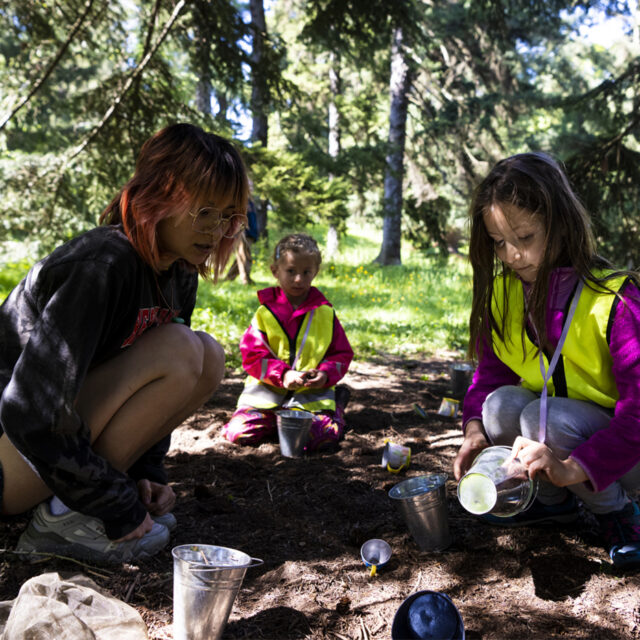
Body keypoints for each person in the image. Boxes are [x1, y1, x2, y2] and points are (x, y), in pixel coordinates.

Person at [0, 123, 249, 563]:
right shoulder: (103, 265)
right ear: (159, 196)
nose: (216, 230)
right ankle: (63, 518)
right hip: (8, 458)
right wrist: (112, 501)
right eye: (204, 211)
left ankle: (76, 504)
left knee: (207, 355)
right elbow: (29, 412)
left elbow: (133, 385)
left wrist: (144, 472)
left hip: (43, 456)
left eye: (228, 215)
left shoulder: (178, 273)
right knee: (182, 348)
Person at [453, 151, 640, 568]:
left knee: (551, 419)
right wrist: (472, 431)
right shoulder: (503, 296)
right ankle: (551, 502)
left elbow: (638, 414)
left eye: (525, 237)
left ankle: (619, 514)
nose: (513, 256)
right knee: (498, 405)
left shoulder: (614, 299)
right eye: (499, 243)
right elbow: (488, 379)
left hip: (626, 452)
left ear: (560, 223)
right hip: (556, 430)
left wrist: (576, 467)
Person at [222, 233, 353, 451]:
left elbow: (341, 353)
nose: (298, 279)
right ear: (275, 271)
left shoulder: (325, 313)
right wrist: (282, 375)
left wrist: (325, 374)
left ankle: (336, 405)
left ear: (316, 272)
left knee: (324, 437)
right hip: (265, 396)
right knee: (239, 433)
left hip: (310, 398)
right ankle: (275, 422)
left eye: (306, 272)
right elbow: (252, 355)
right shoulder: (264, 314)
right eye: (291, 271)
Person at [225, 198, 259, 284]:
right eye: (249, 186)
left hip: (251, 233)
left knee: (240, 257)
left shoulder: (251, 202)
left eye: (252, 186)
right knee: (244, 256)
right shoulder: (241, 200)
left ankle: (229, 278)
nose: (251, 188)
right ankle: (246, 279)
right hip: (244, 233)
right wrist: (240, 231)